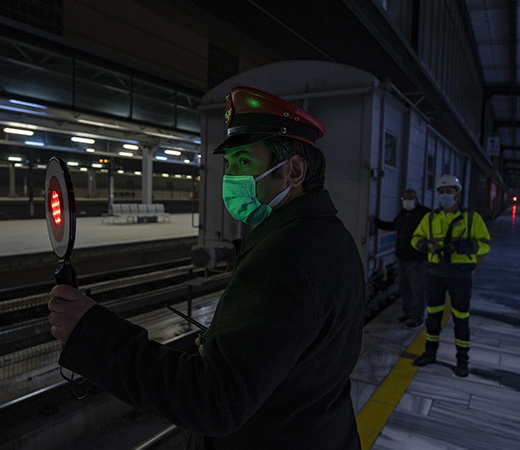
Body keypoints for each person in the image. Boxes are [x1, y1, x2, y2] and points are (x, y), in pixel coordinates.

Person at [48, 86, 365, 448]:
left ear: (293, 171)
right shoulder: (332, 237)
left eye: (244, 162)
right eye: (229, 165)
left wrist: (91, 333)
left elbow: (216, 403)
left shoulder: (285, 257)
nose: (231, 178)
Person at [410, 174, 491, 377]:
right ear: (438, 194)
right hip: (435, 272)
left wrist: (462, 247)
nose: (445, 194)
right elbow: (415, 239)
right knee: (433, 316)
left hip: (460, 275)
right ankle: (430, 353)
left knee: (461, 318)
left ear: (458, 193)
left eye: (449, 191)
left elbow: (485, 244)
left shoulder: (472, 218)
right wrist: (426, 245)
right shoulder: (430, 218)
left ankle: (462, 360)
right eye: (442, 191)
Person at [374, 189, 431, 328]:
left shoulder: (425, 214)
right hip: (402, 257)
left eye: (410, 198)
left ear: (416, 198)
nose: (407, 201)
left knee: (417, 289)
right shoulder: (402, 213)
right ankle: (408, 313)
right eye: (404, 198)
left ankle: (417, 317)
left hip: (417, 258)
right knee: (404, 288)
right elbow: (393, 226)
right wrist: (376, 221)